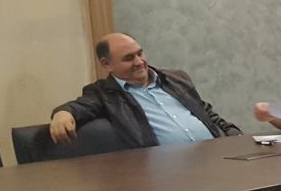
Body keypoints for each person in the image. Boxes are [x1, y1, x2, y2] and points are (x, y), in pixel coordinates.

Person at [49, 32, 240, 147]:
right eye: (129, 58)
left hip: (217, 156)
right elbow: (80, 107)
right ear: (106, 64)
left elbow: (207, 114)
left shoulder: (176, 79)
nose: (139, 62)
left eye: (140, 53)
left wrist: (236, 138)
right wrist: (62, 114)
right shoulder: (103, 93)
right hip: (166, 174)